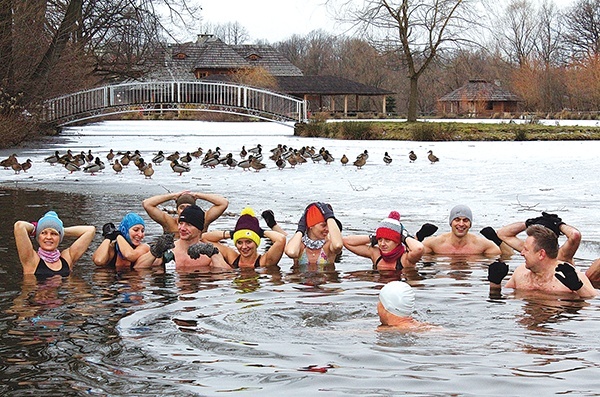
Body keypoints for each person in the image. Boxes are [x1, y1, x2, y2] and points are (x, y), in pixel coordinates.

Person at [487, 225, 596, 298]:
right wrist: (495, 283)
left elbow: (591, 304)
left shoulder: (569, 275)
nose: (521, 253)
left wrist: (578, 287)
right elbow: (503, 298)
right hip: (525, 327)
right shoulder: (520, 272)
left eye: (526, 249)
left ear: (541, 254)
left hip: (554, 322)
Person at [135, 204, 230, 270]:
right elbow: (138, 268)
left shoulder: (208, 255)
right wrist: (155, 251)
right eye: (180, 223)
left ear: (199, 228)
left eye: (188, 224)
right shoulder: (168, 250)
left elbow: (226, 275)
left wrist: (213, 253)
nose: (182, 228)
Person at [13, 211, 96, 278]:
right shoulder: (31, 260)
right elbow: (19, 226)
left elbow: (90, 230)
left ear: (59, 238)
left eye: (54, 234)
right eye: (43, 233)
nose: (48, 237)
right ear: (38, 237)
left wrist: (61, 231)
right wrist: (36, 229)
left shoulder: (67, 258)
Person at [203, 207, 287, 268]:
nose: (244, 247)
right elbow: (204, 238)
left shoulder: (265, 261)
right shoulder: (232, 257)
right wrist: (231, 234)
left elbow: (281, 239)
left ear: (256, 243)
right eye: (239, 242)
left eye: (248, 242)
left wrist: (261, 232)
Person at [343, 211, 424, 271]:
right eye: (380, 239)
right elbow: (346, 241)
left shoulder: (406, 258)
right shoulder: (376, 254)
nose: (382, 244)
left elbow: (419, 248)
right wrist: (372, 238)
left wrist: (404, 237)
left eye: (388, 240)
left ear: (397, 241)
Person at [496, 211, 581, 264]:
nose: (523, 253)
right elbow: (502, 233)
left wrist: (559, 225)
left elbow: (575, 235)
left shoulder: (561, 255)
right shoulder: (530, 248)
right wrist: (529, 223)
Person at [422, 205, 501, 256]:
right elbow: (412, 255)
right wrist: (419, 236)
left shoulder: (482, 245)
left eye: (466, 220)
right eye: (457, 220)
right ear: (451, 223)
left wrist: (497, 240)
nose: (461, 224)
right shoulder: (434, 243)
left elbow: (507, 256)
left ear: (470, 224)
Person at [142, 190, 228, 234]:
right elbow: (147, 204)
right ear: (177, 210)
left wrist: (197, 195)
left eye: (188, 207)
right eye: (182, 207)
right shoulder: (169, 222)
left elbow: (223, 203)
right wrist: (173, 196)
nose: (185, 210)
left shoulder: (203, 220)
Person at [285, 202, 343, 267]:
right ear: (311, 226)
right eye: (323, 225)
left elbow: (338, 245)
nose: (327, 229)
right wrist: (300, 229)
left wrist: (329, 217)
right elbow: (291, 252)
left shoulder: (329, 245)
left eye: (328, 225)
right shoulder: (299, 244)